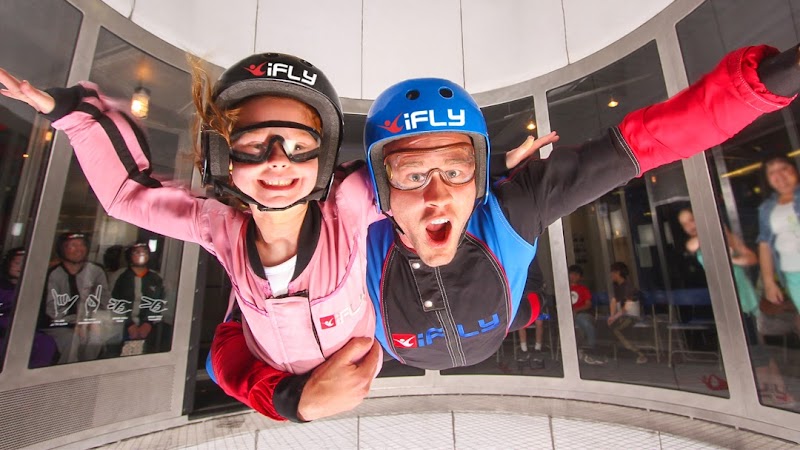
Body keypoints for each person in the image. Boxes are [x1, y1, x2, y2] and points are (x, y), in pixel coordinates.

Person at [206, 43, 800, 421]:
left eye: (457, 171)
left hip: (498, 320)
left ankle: (535, 299)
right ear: (378, 191)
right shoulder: (344, 228)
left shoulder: (510, 203)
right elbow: (228, 345)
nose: (438, 196)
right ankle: (532, 302)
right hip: (440, 336)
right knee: (522, 305)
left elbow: (650, 141)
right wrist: (288, 398)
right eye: (412, 174)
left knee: (529, 304)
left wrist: (767, 82)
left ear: (481, 177)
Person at [41, 232, 109, 364]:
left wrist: (91, 320)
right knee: (72, 340)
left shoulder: (96, 271)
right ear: (62, 249)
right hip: (56, 325)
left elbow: (103, 300)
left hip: (89, 323)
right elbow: (51, 308)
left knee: (95, 338)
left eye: (82, 245)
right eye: (73, 245)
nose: (79, 249)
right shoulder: (52, 273)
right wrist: (75, 323)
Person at [757, 154, 800, 337]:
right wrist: (768, 282)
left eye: (784, 168)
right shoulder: (767, 208)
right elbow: (765, 244)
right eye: (772, 172)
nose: (779, 175)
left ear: (794, 170)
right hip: (793, 274)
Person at [108, 243, 171, 355]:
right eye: (137, 252)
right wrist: (128, 324)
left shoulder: (156, 278)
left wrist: (148, 323)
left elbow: (162, 301)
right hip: (121, 327)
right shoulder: (119, 276)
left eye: (144, 252)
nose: (141, 255)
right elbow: (112, 300)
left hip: (149, 329)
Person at [607, 261, 647, 364]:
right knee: (609, 325)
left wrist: (614, 317)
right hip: (622, 315)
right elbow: (614, 300)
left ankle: (639, 353)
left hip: (632, 315)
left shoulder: (629, 287)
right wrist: (612, 316)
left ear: (618, 273)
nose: (611, 274)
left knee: (616, 328)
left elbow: (626, 308)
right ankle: (619, 351)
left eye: (613, 272)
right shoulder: (616, 285)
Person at [568, 265, 604, 365]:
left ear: (580, 277)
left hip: (583, 314)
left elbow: (588, 305)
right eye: (571, 274)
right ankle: (583, 350)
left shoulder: (583, 289)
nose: (573, 276)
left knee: (582, 320)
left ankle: (590, 347)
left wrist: (576, 310)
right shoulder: (564, 289)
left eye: (576, 274)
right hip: (568, 316)